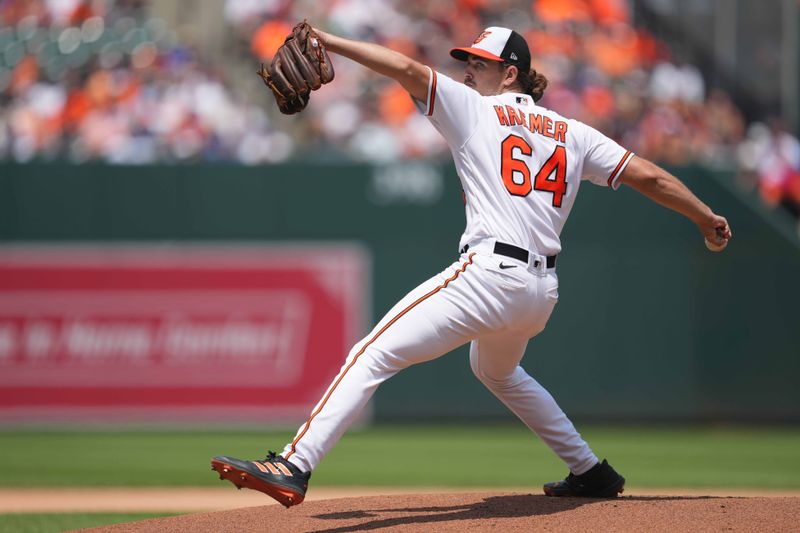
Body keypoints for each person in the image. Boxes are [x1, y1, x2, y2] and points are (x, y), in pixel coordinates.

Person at [212, 25, 732, 507]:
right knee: (497, 370)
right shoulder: (574, 132)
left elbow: (406, 70)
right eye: (467, 61)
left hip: (489, 275)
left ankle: (294, 464)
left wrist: (331, 41)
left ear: (510, 73)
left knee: (370, 353)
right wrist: (706, 217)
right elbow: (651, 178)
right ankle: (590, 470)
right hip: (539, 293)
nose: (467, 69)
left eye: (479, 63)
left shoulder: (476, 110)